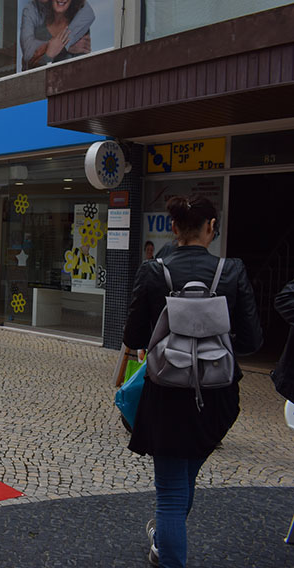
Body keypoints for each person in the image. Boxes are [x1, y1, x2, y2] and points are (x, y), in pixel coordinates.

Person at [122, 196, 262, 568]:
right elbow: (251, 342)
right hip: (216, 397)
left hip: (166, 394)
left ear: (173, 228)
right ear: (211, 228)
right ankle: (163, 546)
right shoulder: (231, 272)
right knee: (185, 478)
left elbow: (134, 336)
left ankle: (167, 553)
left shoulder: (153, 271)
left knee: (170, 491)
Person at [21, 0, 94, 70]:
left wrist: (61, 47)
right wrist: (49, 53)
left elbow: (83, 69)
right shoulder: (39, 31)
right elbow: (30, 70)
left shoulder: (79, 29)